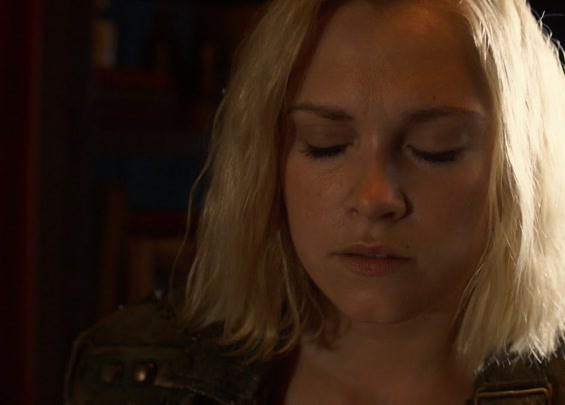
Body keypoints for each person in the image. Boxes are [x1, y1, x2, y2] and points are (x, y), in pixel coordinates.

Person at [65, 0, 565, 403]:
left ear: (520, 170)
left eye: (435, 148)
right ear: (267, 161)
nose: (374, 198)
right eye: (326, 144)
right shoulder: (135, 378)